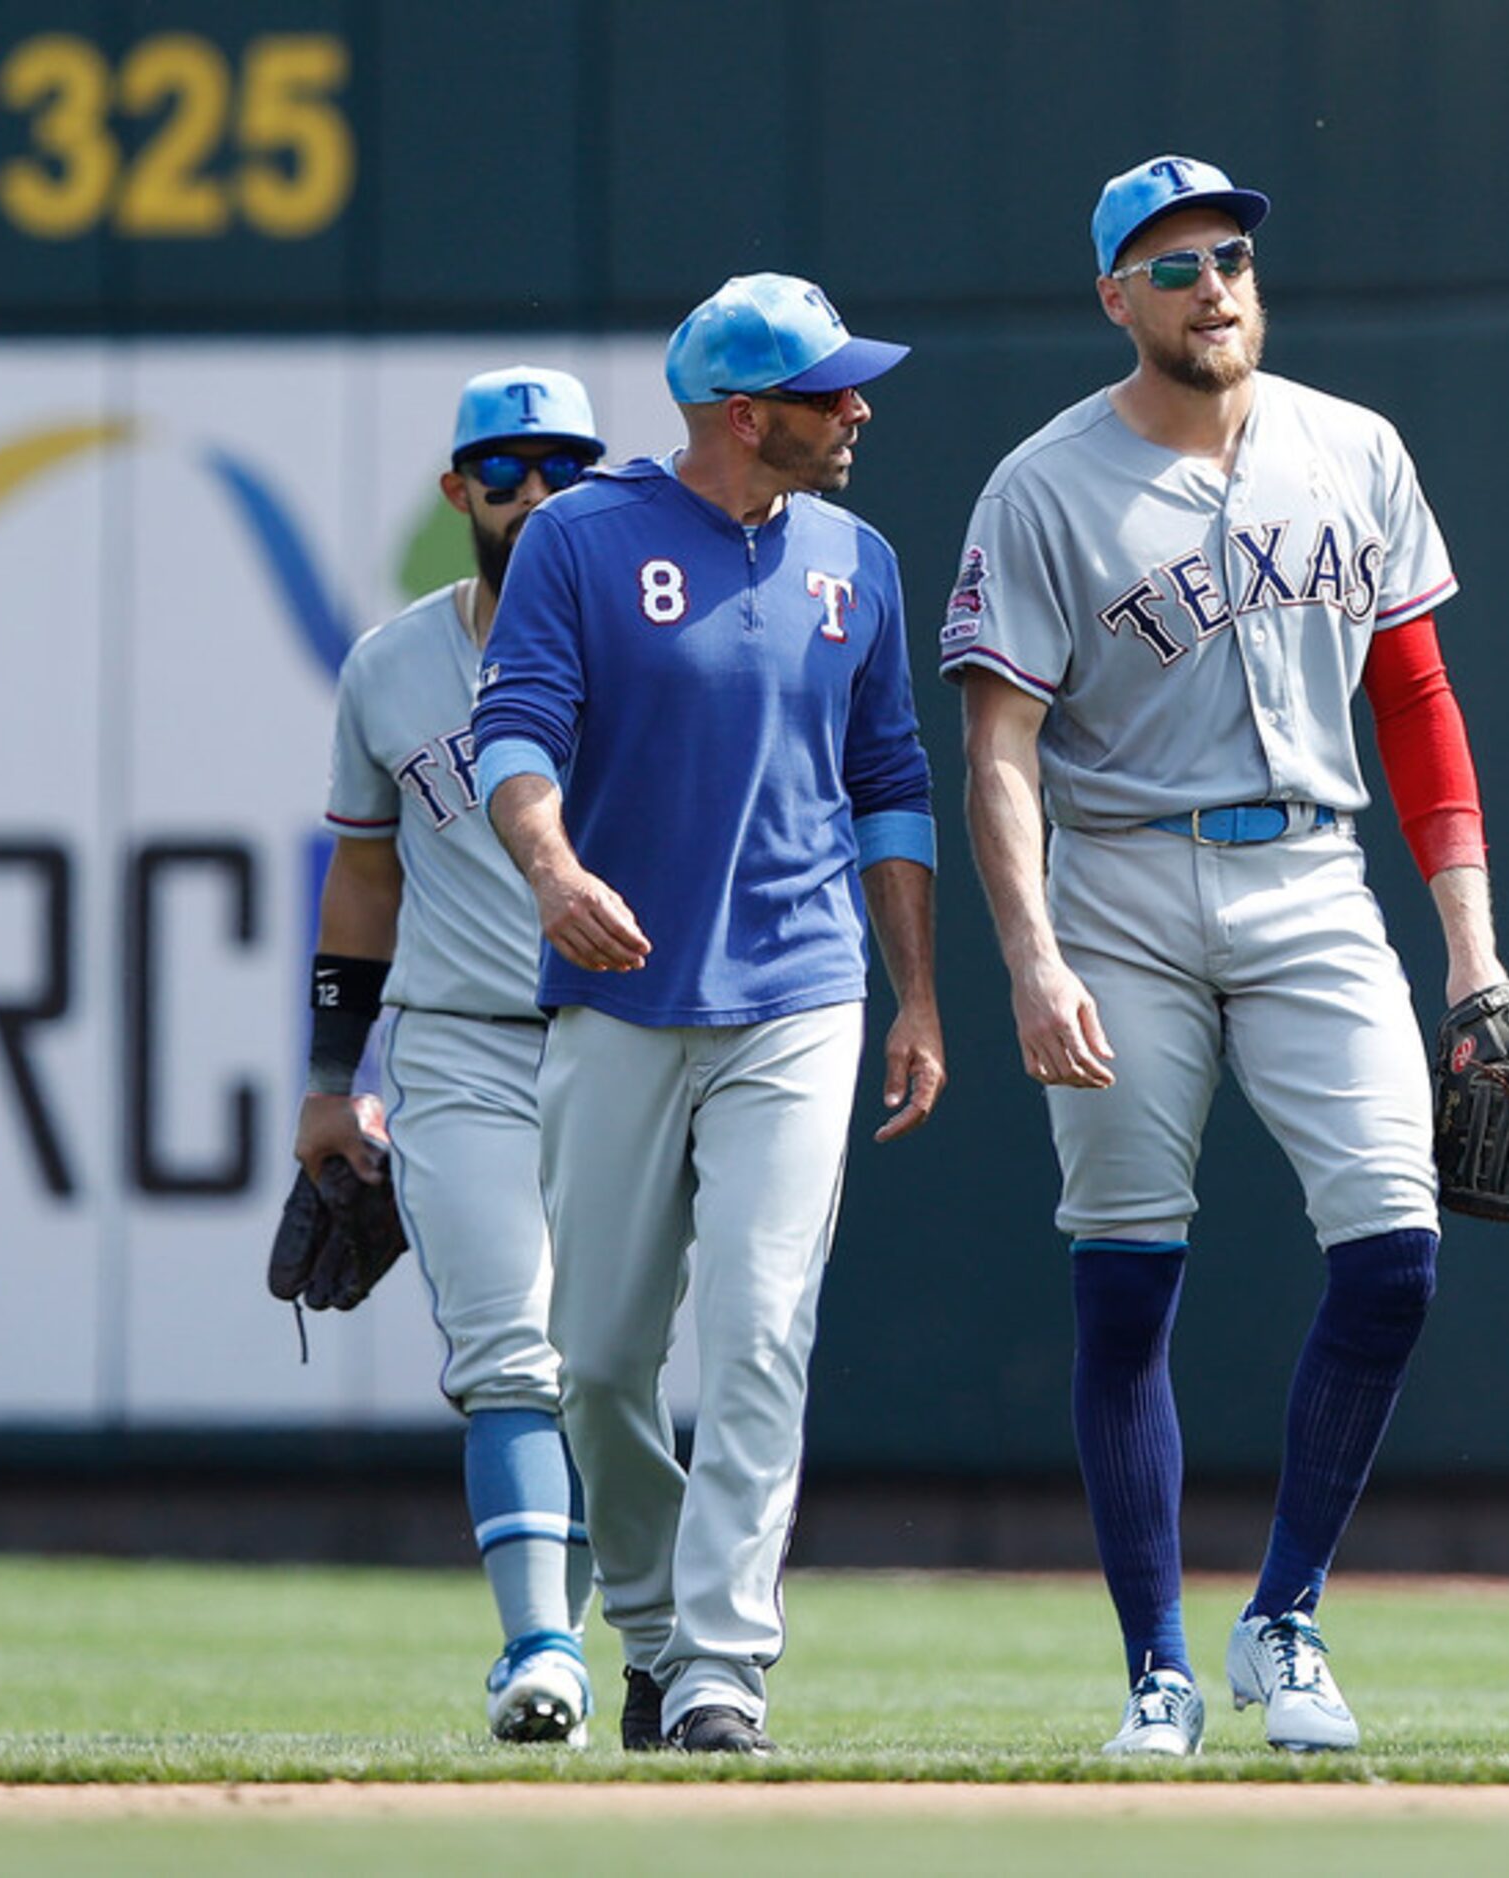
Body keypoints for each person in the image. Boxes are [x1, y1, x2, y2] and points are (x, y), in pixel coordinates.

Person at [945, 154, 1509, 1758]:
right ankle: (1158, 1666)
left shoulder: (1355, 448)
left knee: (1396, 1249)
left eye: (1233, 254)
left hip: (1316, 877)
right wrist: (1032, 957)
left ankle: (1285, 1617)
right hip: (1119, 884)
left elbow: (1416, 700)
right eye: (1175, 261)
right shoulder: (1042, 483)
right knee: (1126, 1281)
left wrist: (1473, 945)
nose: (1215, 283)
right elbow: (999, 747)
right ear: (1115, 295)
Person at [471, 274, 945, 1756]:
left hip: (801, 988)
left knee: (757, 1332)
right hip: (618, 987)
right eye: (830, 390)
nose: (858, 408)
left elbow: (892, 787)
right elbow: (515, 727)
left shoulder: (857, 558)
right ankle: (657, 1626)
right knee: (599, 1358)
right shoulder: (581, 537)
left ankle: (724, 1664)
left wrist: (917, 990)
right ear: (748, 414)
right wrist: (551, 866)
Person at [296, 366, 607, 1745]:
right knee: (508, 1351)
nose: (534, 492)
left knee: (623, 1365)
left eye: (563, 466)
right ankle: (540, 1645)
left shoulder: (656, 644)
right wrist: (328, 1072)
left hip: (631, 1046)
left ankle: (635, 1640)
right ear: (456, 491)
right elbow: (364, 881)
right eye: (504, 468)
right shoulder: (391, 662)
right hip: (461, 1045)